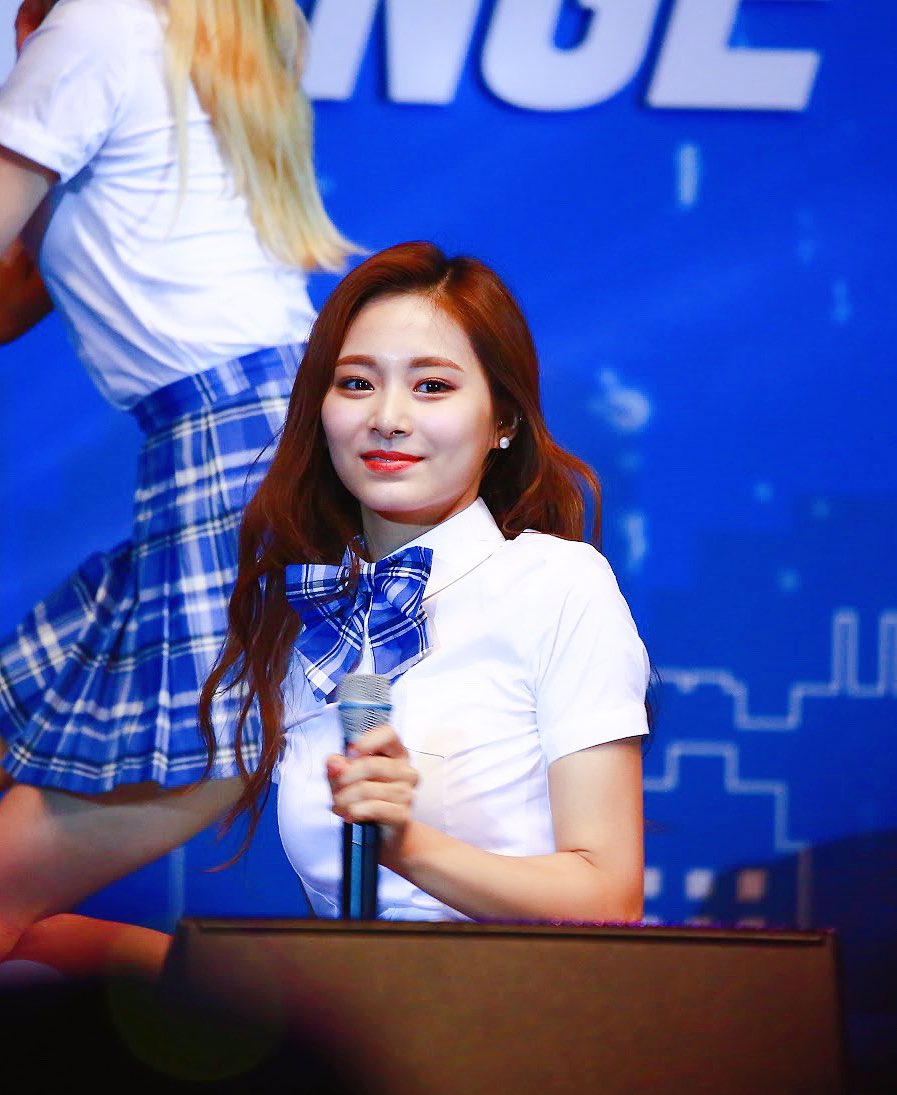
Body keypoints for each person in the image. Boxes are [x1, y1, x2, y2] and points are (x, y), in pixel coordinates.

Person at [0, 0, 357, 963]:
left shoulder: (98, 26)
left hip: (236, 450)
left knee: (212, 745)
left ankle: (291, 1024)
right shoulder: (161, 32)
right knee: (32, 713)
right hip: (258, 435)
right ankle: (265, 1017)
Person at [200, 240, 651, 924]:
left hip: (509, 988)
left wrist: (407, 844)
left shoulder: (555, 584)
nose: (387, 418)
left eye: (431, 386)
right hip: (342, 987)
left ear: (502, 419)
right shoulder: (309, 614)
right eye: (357, 383)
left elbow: (608, 898)